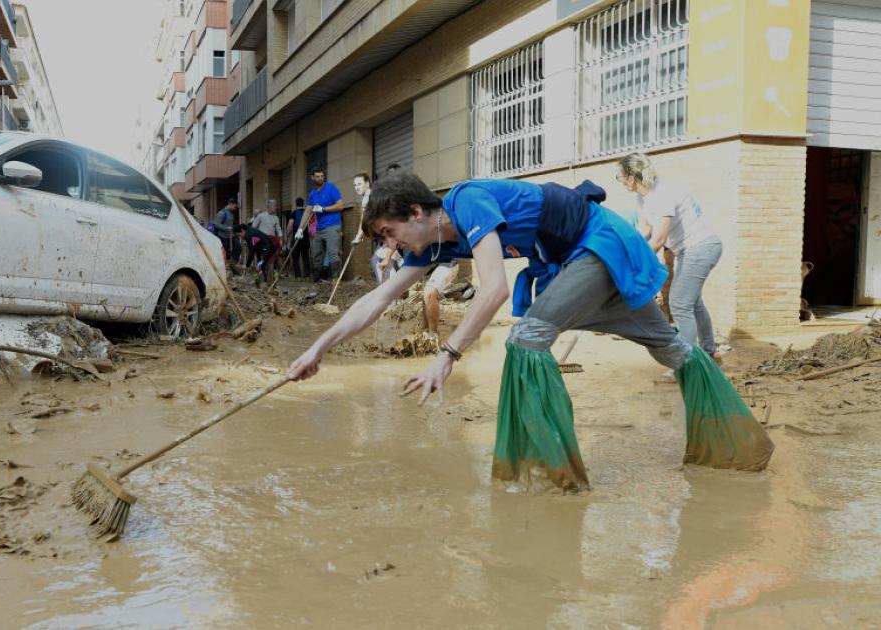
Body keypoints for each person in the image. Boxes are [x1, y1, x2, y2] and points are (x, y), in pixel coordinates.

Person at [287, 172, 773, 493]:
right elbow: (376, 300)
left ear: (416, 213)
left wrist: (447, 355)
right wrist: (316, 350)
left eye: (389, 233)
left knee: (528, 336)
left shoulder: (467, 202)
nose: (391, 246)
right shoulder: (433, 246)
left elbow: (495, 289)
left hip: (599, 243)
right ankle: (739, 448)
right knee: (672, 348)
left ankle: (551, 477)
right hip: (578, 257)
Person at [618, 153, 722, 363]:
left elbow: (659, 239)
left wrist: (635, 262)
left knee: (680, 303)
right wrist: (627, 249)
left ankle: (686, 362)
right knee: (693, 302)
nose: (619, 181)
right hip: (688, 251)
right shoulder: (643, 197)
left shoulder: (662, 194)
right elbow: (645, 229)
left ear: (632, 177)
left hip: (701, 247)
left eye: (620, 176)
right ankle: (709, 352)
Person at [305, 167, 345, 282]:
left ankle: (335, 282)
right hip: (318, 228)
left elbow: (341, 205)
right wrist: (300, 229)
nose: (320, 178)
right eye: (317, 176)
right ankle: (317, 282)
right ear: (312, 178)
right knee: (316, 255)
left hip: (332, 226)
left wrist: (323, 209)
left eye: (322, 176)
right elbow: (307, 212)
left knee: (333, 254)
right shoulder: (312, 194)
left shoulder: (331, 188)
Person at [251, 200, 284, 280]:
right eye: (274, 206)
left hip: (272, 241)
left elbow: (278, 229)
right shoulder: (261, 216)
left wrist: (280, 239)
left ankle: (270, 279)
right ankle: (259, 278)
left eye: (276, 206)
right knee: (262, 260)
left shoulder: (276, 218)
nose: (276, 208)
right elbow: (253, 228)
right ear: (269, 206)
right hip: (262, 241)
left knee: (272, 261)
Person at [286, 197, 313, 280]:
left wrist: (287, 235)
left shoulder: (294, 213)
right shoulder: (306, 212)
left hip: (296, 238)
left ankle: (298, 276)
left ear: (296, 204)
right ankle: (307, 275)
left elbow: (290, 225)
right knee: (305, 257)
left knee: (295, 258)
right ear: (303, 204)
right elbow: (311, 225)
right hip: (305, 239)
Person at [214, 199, 239, 264]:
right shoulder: (222, 213)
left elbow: (231, 224)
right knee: (224, 253)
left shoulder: (231, 213)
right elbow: (217, 224)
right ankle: (224, 265)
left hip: (231, 235)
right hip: (223, 237)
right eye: (234, 206)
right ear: (230, 204)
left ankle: (232, 262)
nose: (235, 208)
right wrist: (226, 228)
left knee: (238, 247)